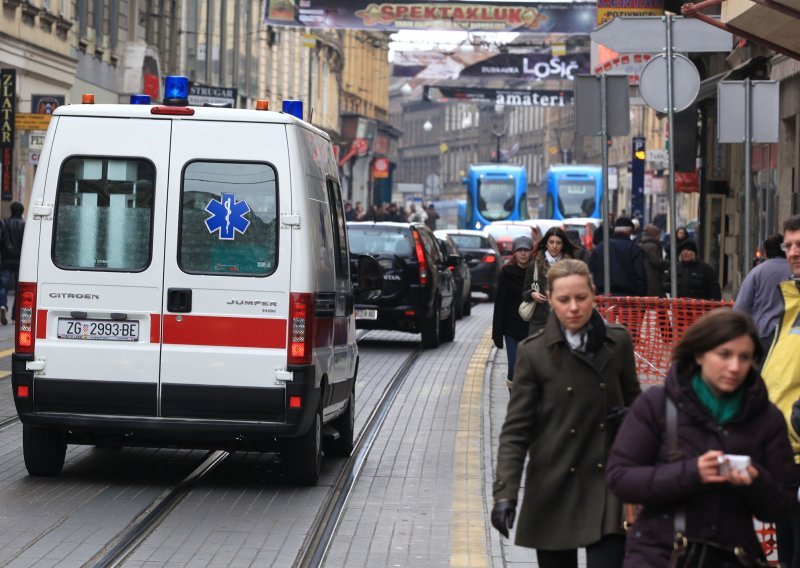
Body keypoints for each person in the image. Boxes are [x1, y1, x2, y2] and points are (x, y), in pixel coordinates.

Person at [606, 309, 800, 567]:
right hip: (659, 554)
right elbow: (620, 478)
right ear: (699, 354)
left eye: (745, 357)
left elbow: (782, 504)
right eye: (724, 355)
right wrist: (692, 472)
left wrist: (754, 479)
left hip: (732, 554)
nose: (735, 367)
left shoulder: (766, 417)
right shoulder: (656, 404)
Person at [492, 259, 641, 567]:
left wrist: (632, 418)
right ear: (550, 299)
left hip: (608, 482)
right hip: (554, 482)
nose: (573, 307)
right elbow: (516, 430)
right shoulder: (533, 353)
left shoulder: (618, 342)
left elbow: (637, 402)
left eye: (581, 298)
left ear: (593, 295)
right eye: (564, 300)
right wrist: (505, 493)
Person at [761, 215, 800, 567]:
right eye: (789, 245)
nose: (793, 253)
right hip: (783, 453)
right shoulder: (789, 303)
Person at [734, 233, 790, 354]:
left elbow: (741, 308)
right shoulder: (794, 271)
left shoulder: (756, 273)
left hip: (763, 334)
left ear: (765, 252)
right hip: (791, 336)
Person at [492, 236, 533, 387]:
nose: (523, 253)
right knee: (513, 368)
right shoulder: (506, 273)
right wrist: (497, 333)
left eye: (526, 250)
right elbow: (500, 303)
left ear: (531, 252)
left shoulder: (535, 273)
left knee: (529, 370)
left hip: (531, 327)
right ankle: (514, 400)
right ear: (514, 253)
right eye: (519, 250)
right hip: (512, 328)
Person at [521, 227, 575, 336]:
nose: (554, 246)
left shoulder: (570, 265)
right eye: (551, 242)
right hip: (539, 321)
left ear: (563, 245)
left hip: (563, 320)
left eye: (558, 243)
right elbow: (524, 292)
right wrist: (532, 294)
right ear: (546, 244)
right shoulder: (535, 264)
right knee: (537, 352)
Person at [588, 216, 647, 296]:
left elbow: (591, 273)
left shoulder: (599, 248)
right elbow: (640, 277)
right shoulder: (634, 249)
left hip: (601, 297)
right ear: (630, 232)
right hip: (628, 299)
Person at [0, 202, 24, 324]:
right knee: (18, 288)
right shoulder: (24, 225)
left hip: (5, 260)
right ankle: (15, 315)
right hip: (20, 260)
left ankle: (3, 306)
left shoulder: (4, 223)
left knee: (3, 285)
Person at [640, 224, 669, 298]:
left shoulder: (645, 244)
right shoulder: (652, 247)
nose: (659, 237)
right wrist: (668, 263)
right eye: (658, 234)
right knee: (660, 304)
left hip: (647, 279)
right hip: (653, 281)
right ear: (654, 235)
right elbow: (657, 263)